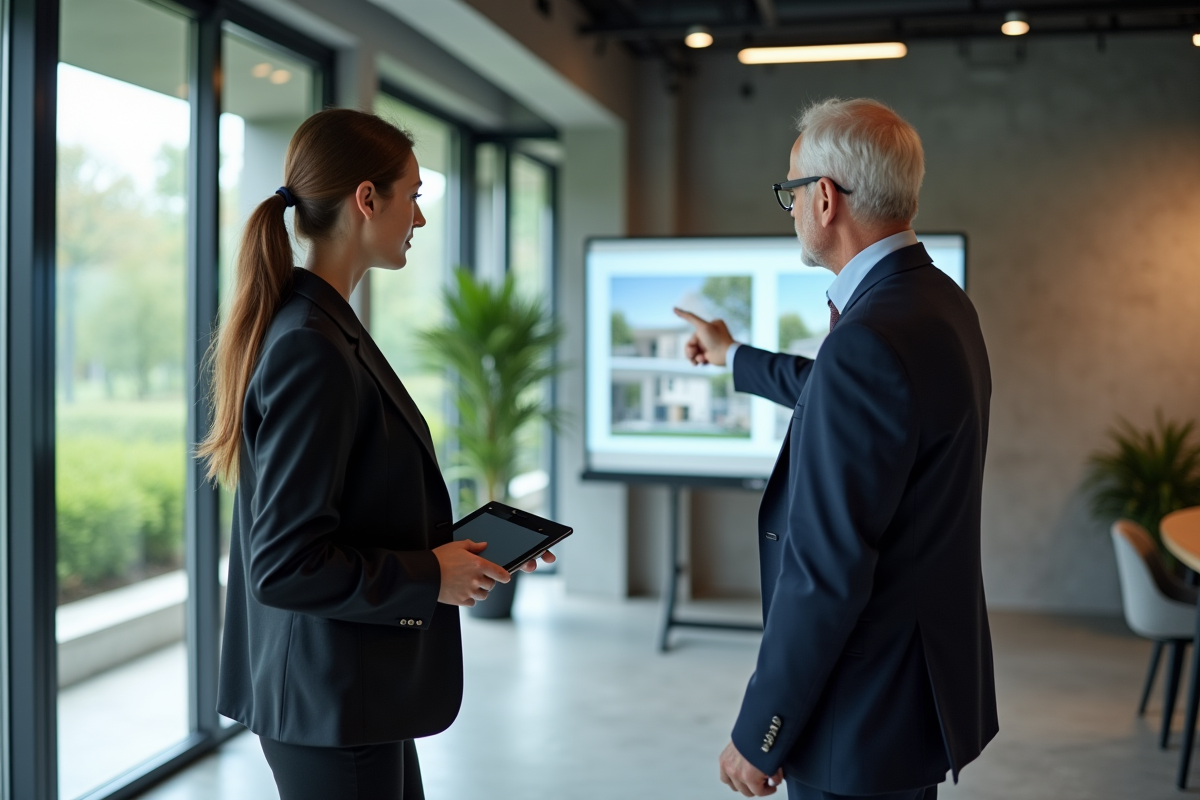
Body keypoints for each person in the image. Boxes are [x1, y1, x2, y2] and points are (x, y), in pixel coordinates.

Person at [199, 108, 552, 800]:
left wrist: (459, 552)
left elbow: (351, 510)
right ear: (367, 199)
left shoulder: (326, 328)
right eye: (414, 196)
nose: (419, 219)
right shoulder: (311, 345)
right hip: (331, 698)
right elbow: (285, 565)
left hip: (353, 693)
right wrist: (429, 576)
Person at [677, 98, 996, 799]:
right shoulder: (937, 303)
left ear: (824, 198)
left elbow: (825, 571)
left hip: (856, 715)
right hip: (910, 698)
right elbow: (842, 392)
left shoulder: (870, 339)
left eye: (790, 190)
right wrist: (736, 357)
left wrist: (761, 729)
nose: (789, 207)